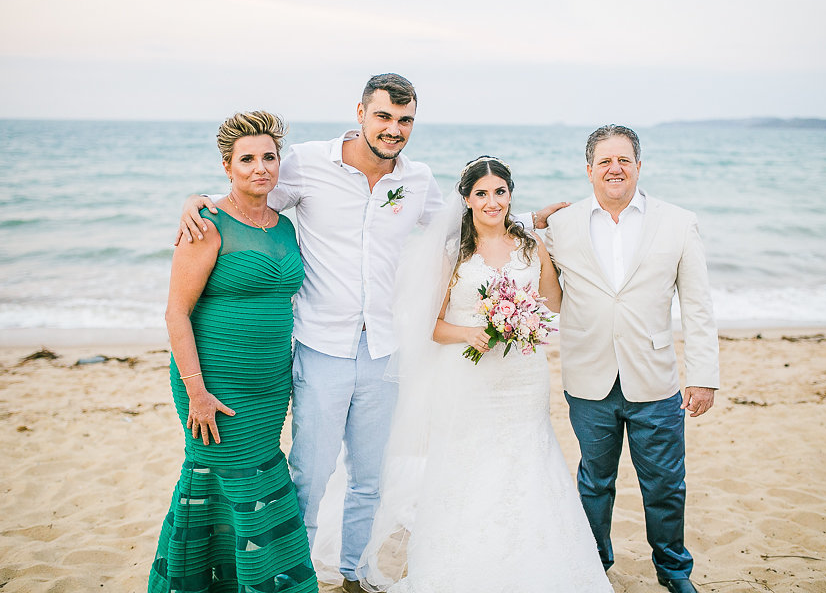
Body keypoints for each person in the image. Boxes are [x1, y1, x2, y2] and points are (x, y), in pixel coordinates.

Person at [176, 75, 564, 593]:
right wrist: (194, 199)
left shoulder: (418, 179)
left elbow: (464, 224)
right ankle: (296, 575)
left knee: (370, 478)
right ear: (360, 112)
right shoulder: (308, 164)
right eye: (383, 117)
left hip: (385, 348)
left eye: (405, 120)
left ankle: (355, 574)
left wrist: (527, 221)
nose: (393, 129)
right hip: (321, 346)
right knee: (308, 475)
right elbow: (250, 191)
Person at [357, 157, 614, 593]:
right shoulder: (454, 254)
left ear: (511, 194)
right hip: (468, 381)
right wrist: (472, 331)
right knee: (468, 467)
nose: (491, 201)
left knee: (529, 461)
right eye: (481, 193)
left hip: (523, 378)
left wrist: (524, 318)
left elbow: (551, 303)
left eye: (499, 192)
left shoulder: (533, 246)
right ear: (466, 199)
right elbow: (432, 328)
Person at [545, 125, 720, 593]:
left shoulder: (679, 222)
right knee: (594, 482)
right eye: (604, 161)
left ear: (639, 166)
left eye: (624, 160)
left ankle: (674, 571)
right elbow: (502, 233)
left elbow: (698, 306)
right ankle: (593, 564)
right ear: (589, 171)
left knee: (665, 485)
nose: (615, 168)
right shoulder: (561, 226)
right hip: (587, 377)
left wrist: (703, 376)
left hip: (656, 380)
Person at [149, 111, 317, 593]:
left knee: (257, 478)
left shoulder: (285, 225)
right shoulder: (205, 222)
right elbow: (175, 314)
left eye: (269, 157)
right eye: (247, 159)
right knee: (220, 482)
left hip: (268, 387)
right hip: (213, 385)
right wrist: (197, 393)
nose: (260, 167)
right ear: (227, 166)